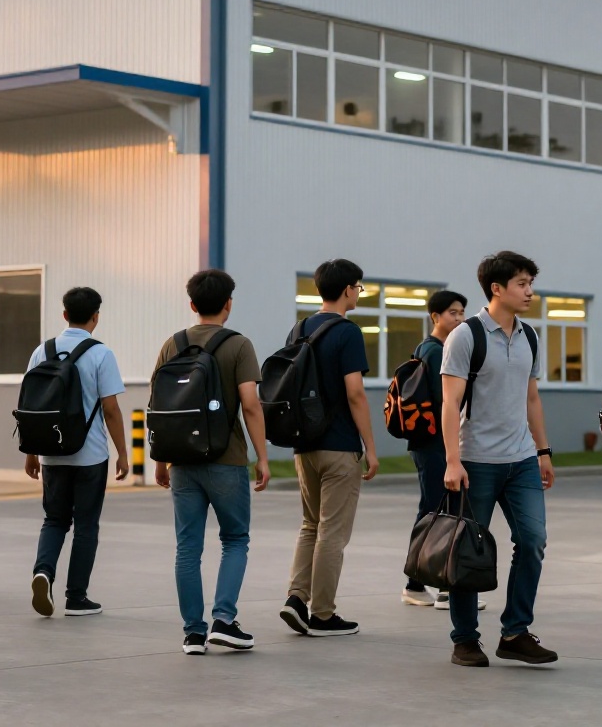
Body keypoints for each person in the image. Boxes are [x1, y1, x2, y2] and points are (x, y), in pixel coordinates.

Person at [440, 251, 556, 668]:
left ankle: (515, 631)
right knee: (468, 551)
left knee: (533, 541)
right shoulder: (466, 335)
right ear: (497, 288)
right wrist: (453, 462)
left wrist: (542, 451)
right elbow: (450, 403)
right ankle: (465, 639)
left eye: (530, 283)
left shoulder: (530, 336)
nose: (530, 291)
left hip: (522, 458)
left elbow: (531, 397)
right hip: (476, 462)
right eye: (522, 283)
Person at [152, 270, 271, 655]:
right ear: (228, 304)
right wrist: (263, 457)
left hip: (181, 462)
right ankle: (223, 619)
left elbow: (159, 406)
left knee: (187, 547)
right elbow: (251, 404)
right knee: (234, 539)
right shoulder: (238, 345)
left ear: (192, 305)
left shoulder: (172, 344)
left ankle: (193, 633)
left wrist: (160, 459)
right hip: (226, 458)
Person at [279, 258, 379, 638]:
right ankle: (322, 614)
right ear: (348, 289)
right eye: (359, 287)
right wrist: (370, 447)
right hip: (339, 447)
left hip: (305, 445)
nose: (359, 294)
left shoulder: (299, 328)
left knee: (310, 525)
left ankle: (295, 598)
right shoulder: (347, 332)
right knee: (332, 532)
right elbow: (355, 393)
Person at [26, 287, 128, 618]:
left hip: (50, 453)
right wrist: (122, 454)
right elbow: (111, 410)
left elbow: (29, 406)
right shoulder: (101, 354)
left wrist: (30, 452)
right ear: (96, 316)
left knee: (54, 519)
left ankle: (43, 572)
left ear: (64, 314)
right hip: (90, 454)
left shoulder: (42, 351)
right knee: (86, 524)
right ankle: (76, 597)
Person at [402, 289, 484, 612]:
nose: (460, 318)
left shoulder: (429, 348)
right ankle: (425, 582)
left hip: (429, 442)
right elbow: (448, 401)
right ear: (434, 317)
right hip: (434, 443)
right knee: (438, 510)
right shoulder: (436, 352)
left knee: (439, 508)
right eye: (453, 312)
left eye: (462, 312)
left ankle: (433, 582)